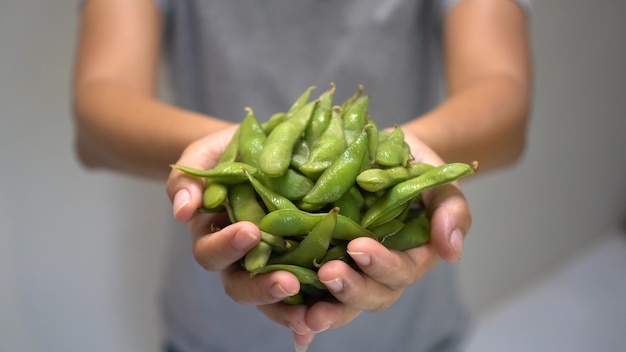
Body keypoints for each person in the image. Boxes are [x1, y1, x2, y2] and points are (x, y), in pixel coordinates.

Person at [72, 0, 532, 351]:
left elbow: (505, 99)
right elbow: (97, 111)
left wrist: (404, 154)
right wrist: (232, 152)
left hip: (406, 322)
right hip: (216, 323)